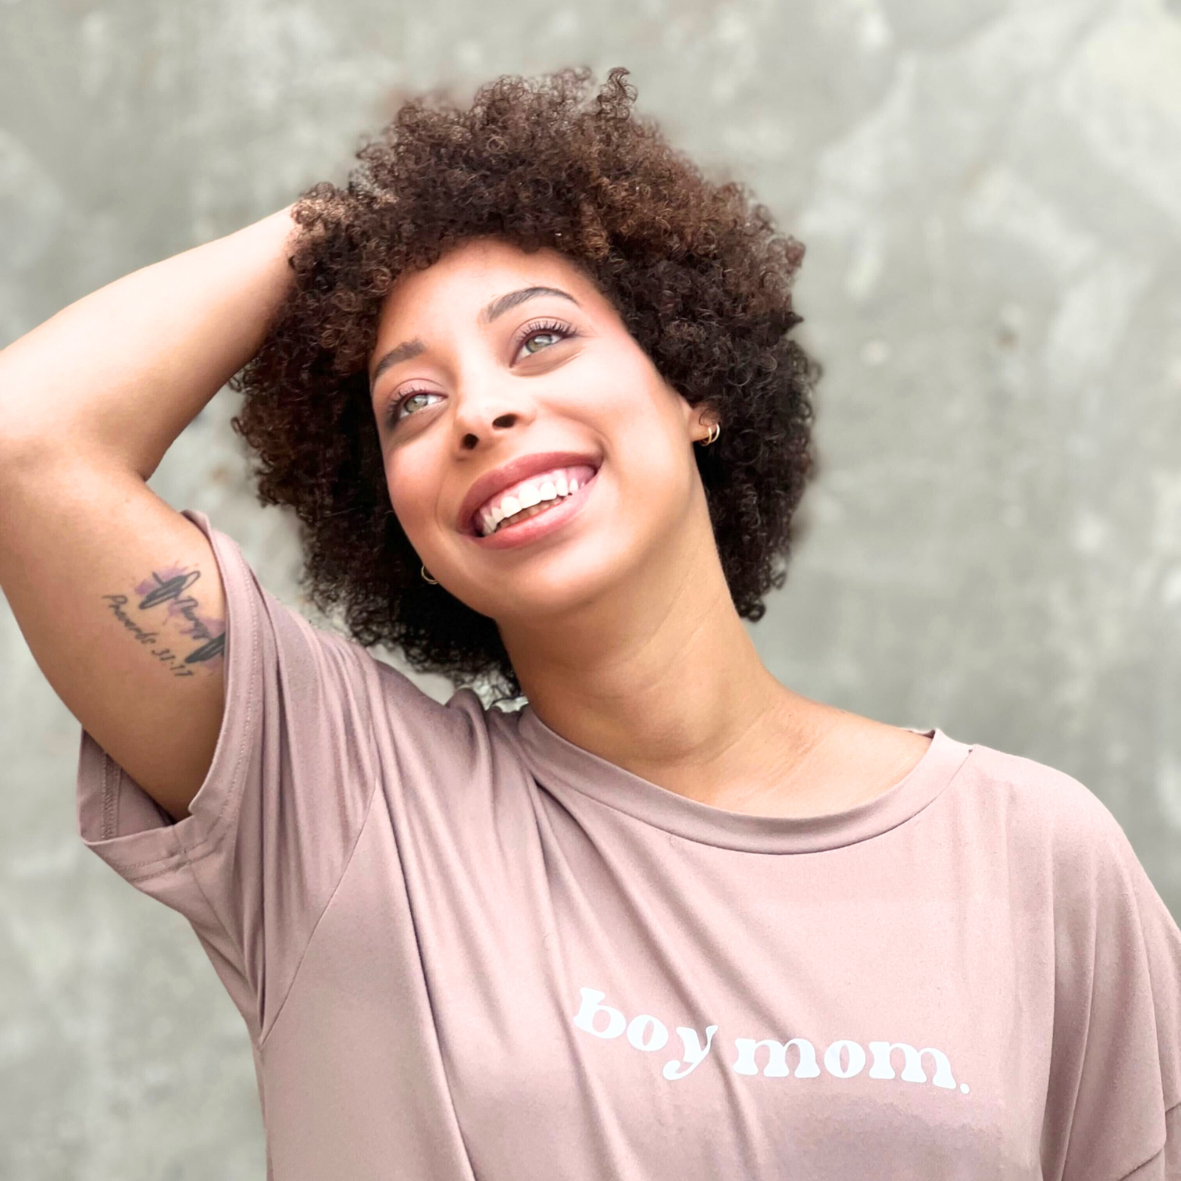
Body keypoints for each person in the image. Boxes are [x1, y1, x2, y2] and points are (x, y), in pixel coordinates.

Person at [0, 66, 1177, 1180]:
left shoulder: (1034, 855)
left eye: (540, 338)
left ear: (692, 385)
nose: (479, 410)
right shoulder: (333, 806)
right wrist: (347, 224)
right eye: (411, 402)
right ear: (396, 520)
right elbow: (27, 443)